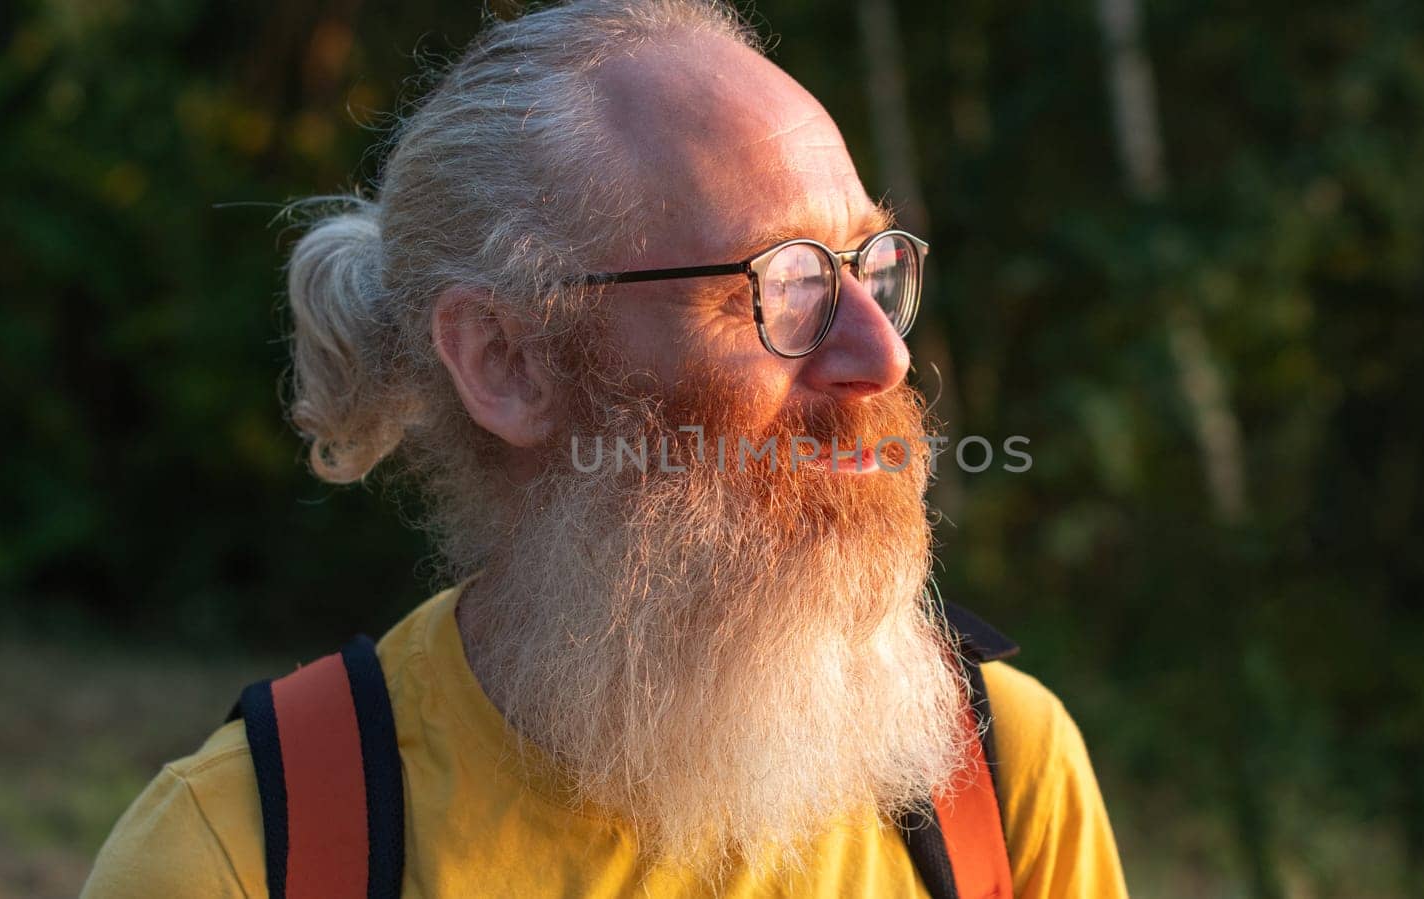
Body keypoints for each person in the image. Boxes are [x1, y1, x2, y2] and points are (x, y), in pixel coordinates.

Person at [83, 1, 1129, 895]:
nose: (881, 356)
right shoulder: (242, 854)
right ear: (506, 360)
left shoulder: (994, 772)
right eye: (780, 284)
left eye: (872, 264)